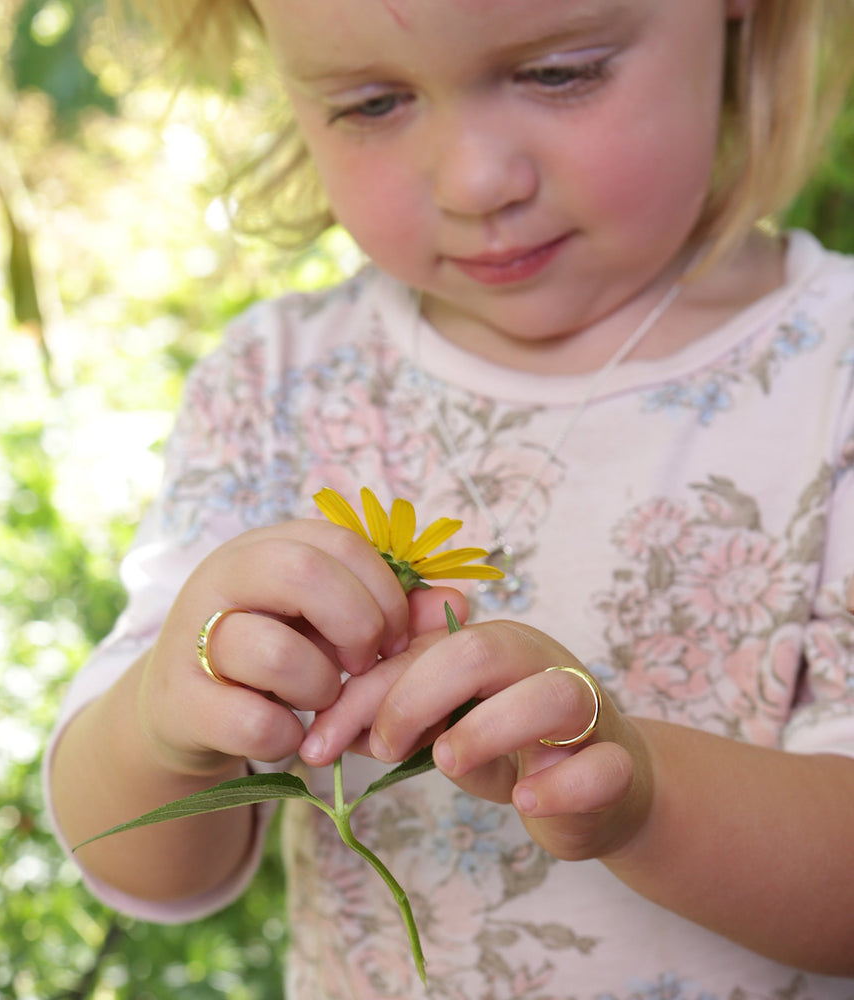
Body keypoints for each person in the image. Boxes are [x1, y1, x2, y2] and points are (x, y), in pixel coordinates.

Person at [44, 2, 854, 997]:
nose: (475, 181)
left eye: (560, 73)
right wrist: (166, 723)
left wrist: (638, 801)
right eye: (374, 102)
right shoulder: (280, 387)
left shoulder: (833, 377)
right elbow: (147, 860)